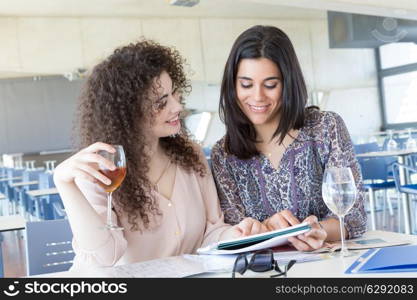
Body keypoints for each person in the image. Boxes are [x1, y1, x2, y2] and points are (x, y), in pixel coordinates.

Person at [53, 39, 266, 268]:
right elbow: (104, 258)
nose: (177, 107)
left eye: (174, 94)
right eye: (161, 103)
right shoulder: (102, 169)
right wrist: (64, 184)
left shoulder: (190, 156)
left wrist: (236, 235)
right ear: (128, 113)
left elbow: (212, 232)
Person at [211, 25, 367, 252]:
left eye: (270, 85)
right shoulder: (224, 154)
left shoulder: (325, 128)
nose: (257, 96)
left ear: (288, 83)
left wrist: (319, 230)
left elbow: (354, 218)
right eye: (246, 84)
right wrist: (263, 228)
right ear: (232, 85)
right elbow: (235, 232)